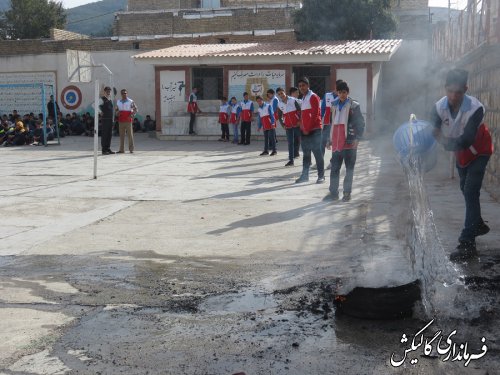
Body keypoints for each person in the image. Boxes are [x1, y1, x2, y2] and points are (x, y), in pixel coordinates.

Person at [431, 68, 494, 262]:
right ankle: (478, 224)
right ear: (445, 89)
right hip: (461, 153)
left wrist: (442, 141)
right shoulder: (439, 107)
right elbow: (432, 128)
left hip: (479, 150)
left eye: (458, 92)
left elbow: (466, 139)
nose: (453, 96)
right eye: (450, 91)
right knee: (465, 190)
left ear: (466, 89)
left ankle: (467, 243)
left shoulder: (476, 108)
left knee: (470, 191)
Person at [324, 81, 365, 202]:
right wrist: (328, 139)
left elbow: (360, 123)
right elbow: (331, 124)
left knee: (349, 169)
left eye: (344, 92)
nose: (342, 94)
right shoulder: (334, 105)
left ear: (348, 93)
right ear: (336, 92)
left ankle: (347, 193)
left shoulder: (354, 105)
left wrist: (358, 138)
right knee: (335, 168)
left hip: (350, 141)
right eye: (340, 92)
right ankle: (333, 193)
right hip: (336, 142)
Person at [296, 77, 324, 184]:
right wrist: (302, 127)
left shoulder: (313, 97)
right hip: (305, 130)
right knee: (306, 154)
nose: (301, 87)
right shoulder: (303, 98)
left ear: (308, 86)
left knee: (317, 153)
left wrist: (307, 128)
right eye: (300, 86)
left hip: (315, 130)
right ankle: (305, 175)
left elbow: (316, 115)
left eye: (303, 85)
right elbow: (304, 116)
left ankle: (321, 176)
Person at [277, 87, 301, 167]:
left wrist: (299, 121)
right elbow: (279, 116)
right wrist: (283, 125)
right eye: (279, 94)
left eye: (282, 93)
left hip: (296, 125)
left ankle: (308, 159)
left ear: (284, 92)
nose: (281, 95)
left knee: (303, 141)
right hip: (288, 126)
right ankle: (291, 160)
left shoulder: (293, 100)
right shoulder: (280, 104)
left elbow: (299, 110)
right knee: (290, 143)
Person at [116, 89, 138, 154]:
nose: (124, 94)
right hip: (121, 121)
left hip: (128, 121)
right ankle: (121, 150)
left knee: (130, 135)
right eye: (123, 93)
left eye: (125, 93)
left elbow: (136, 109)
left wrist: (131, 115)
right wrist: (117, 113)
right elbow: (116, 110)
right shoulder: (118, 102)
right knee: (121, 135)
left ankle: (131, 149)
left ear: (127, 93)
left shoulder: (130, 101)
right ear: (121, 94)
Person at [99, 86, 115, 155]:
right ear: (104, 92)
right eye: (107, 91)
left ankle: (108, 148)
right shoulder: (102, 99)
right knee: (105, 134)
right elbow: (94, 105)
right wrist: (100, 112)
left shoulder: (110, 100)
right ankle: (104, 150)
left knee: (109, 134)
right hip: (105, 119)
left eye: (109, 91)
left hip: (110, 119)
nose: (108, 92)